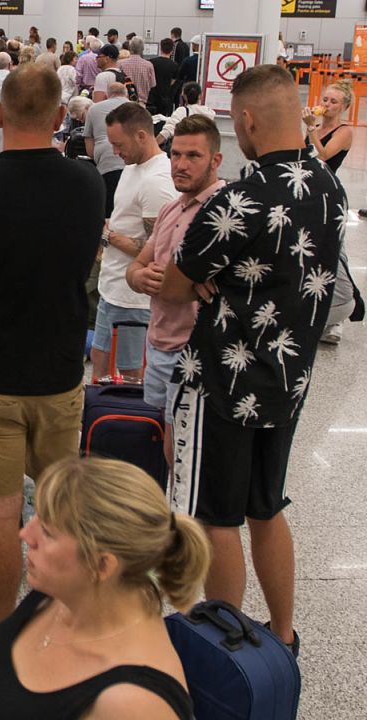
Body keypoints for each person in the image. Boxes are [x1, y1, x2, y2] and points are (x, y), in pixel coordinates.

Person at [160, 65, 345, 660]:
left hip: (222, 380)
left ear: (244, 121)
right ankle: (283, 636)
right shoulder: (329, 188)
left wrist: (175, 280)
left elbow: (176, 282)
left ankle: (228, 652)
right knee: (267, 508)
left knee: (218, 518)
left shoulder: (240, 199)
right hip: (288, 381)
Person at [0, 63, 105, 674]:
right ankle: (61, 630)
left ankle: (0, 646)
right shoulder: (88, 184)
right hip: (60, 375)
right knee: (60, 507)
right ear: (62, 118)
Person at [0, 457, 210, 719]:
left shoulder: (135, 704)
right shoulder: (68, 591)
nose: (25, 535)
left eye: (47, 532)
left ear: (102, 565)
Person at [125, 115, 224, 425]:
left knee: (181, 444)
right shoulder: (172, 207)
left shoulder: (223, 213)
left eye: (193, 156)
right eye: (176, 154)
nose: (181, 164)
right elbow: (137, 266)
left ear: (215, 160)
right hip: (158, 343)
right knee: (159, 434)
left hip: (193, 352)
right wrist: (139, 277)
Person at [91, 102, 176, 383]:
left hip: (133, 301)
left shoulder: (158, 180)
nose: (115, 152)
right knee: (101, 371)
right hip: (112, 288)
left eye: (119, 144)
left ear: (141, 135)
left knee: (130, 377)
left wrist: (107, 236)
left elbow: (158, 250)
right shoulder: (132, 167)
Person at [84, 81, 131, 215]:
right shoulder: (136, 108)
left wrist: (95, 157)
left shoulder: (94, 108)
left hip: (105, 161)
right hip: (131, 161)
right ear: (126, 94)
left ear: (106, 95)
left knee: (109, 206)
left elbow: (89, 144)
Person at [302, 79, 354, 174]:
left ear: (344, 107)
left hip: (324, 184)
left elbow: (322, 157)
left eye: (333, 102)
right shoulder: (315, 128)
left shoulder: (344, 131)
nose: (326, 104)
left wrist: (310, 126)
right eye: (325, 100)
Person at [117, 38, 156, 106]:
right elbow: (153, 84)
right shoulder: (149, 65)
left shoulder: (120, 64)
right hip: (141, 103)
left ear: (130, 48)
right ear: (142, 49)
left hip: (124, 103)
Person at [149, 39, 180, 117]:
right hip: (166, 98)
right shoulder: (175, 65)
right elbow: (173, 82)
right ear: (172, 50)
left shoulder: (151, 62)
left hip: (152, 97)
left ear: (160, 48)